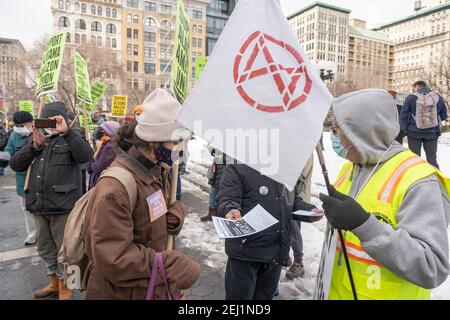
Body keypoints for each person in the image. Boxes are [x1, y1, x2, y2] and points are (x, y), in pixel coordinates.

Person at [319, 89, 450, 300]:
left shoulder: (419, 180)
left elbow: (431, 266)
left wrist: (364, 225)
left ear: (360, 133)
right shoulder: (351, 167)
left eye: (338, 130)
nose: (336, 138)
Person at [82, 89, 201, 300]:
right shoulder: (114, 189)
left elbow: (149, 220)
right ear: (154, 141)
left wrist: (174, 213)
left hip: (149, 287)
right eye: (175, 142)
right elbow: (113, 258)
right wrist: (169, 265)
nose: (180, 149)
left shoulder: (158, 169)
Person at [9, 102, 93, 300]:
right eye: (46, 120)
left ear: (62, 120)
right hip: (39, 205)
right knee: (45, 248)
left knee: (68, 251)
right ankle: (55, 283)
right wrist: (34, 145)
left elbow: (85, 156)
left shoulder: (73, 137)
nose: (50, 125)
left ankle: (68, 287)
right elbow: (16, 164)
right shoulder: (37, 137)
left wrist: (67, 132)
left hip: (63, 207)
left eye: (54, 120)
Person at [216, 163, 323, 300]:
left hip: (275, 254)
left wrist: (310, 211)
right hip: (245, 254)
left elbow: (292, 203)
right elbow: (227, 198)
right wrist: (230, 209)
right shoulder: (238, 168)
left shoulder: (285, 172)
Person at [5, 111, 37, 245]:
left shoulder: (37, 132)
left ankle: (43, 234)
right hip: (22, 180)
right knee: (26, 209)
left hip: (38, 177)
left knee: (40, 209)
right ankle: (32, 234)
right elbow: (8, 153)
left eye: (28, 123)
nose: (26, 126)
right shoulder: (14, 136)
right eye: (22, 125)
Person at [400, 81, 448, 168]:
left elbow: (403, 115)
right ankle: (435, 180)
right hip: (432, 134)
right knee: (432, 159)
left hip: (414, 133)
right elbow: (444, 115)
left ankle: (416, 179)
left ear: (417, 87)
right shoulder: (437, 97)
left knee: (415, 160)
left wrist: (405, 130)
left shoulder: (410, 98)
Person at [286, 154, 314, 280]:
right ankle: (285, 256)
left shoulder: (304, 150)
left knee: (293, 231)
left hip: (297, 197)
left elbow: (298, 174)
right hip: (288, 195)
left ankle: (298, 263)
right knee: (285, 228)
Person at [201, 148, 232, 222]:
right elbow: (215, 152)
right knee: (213, 194)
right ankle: (211, 215)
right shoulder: (222, 143)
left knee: (223, 196)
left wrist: (222, 157)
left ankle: (222, 216)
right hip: (216, 173)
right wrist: (213, 150)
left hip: (225, 174)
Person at [88, 121, 121, 190]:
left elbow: (97, 168)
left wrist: (96, 152)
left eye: (102, 131)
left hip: (100, 185)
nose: (99, 132)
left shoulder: (109, 147)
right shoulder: (107, 144)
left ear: (108, 133)